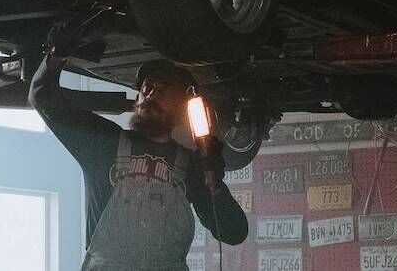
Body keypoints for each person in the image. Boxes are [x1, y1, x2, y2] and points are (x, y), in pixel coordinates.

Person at [30, 20, 249, 271]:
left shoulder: (193, 166)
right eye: (148, 88)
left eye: (164, 89)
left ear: (180, 107)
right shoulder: (102, 144)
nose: (152, 94)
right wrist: (56, 57)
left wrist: (216, 186)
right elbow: (42, 97)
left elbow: (234, 232)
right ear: (138, 99)